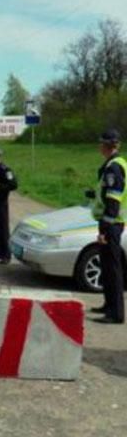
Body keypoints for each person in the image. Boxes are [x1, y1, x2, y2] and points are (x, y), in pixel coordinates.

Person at [90, 129, 126, 324]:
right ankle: (108, 304)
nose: (100, 146)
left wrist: (104, 229)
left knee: (113, 268)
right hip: (111, 223)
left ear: (106, 146)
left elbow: (113, 200)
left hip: (111, 224)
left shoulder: (113, 168)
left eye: (102, 143)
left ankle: (116, 313)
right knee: (106, 266)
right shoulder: (114, 164)